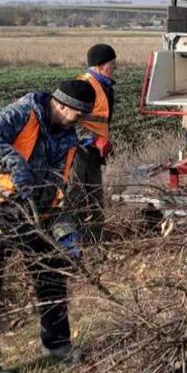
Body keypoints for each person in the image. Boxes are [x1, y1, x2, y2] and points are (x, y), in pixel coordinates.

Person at [0, 79, 94, 373]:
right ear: (63, 106)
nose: (81, 122)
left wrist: (66, 233)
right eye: (79, 115)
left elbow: (58, 190)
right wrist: (13, 161)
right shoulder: (24, 112)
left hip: (35, 213)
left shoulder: (68, 137)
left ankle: (58, 343)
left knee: (51, 273)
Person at [75, 44, 117, 241]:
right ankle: (85, 245)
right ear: (100, 66)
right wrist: (93, 139)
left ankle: (96, 241)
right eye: (112, 65)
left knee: (94, 199)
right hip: (78, 154)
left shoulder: (103, 86)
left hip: (92, 154)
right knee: (83, 199)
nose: (114, 69)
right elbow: (69, 121)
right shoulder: (85, 87)